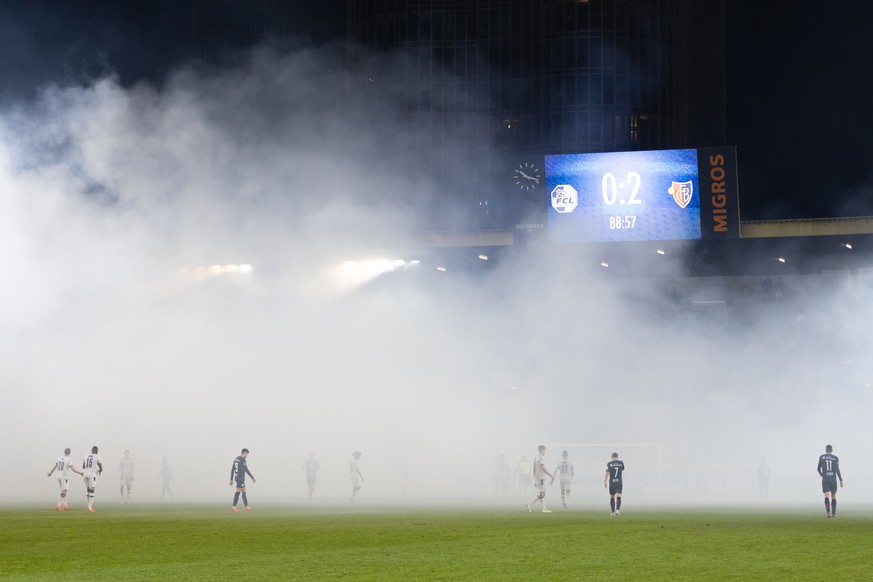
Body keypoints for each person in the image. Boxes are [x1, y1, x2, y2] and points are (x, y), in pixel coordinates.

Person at [817, 444, 844, 518]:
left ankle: (828, 513)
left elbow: (818, 469)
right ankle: (834, 513)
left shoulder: (822, 457)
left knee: (826, 496)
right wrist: (841, 480)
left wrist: (821, 474)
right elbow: (837, 470)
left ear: (826, 450)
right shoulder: (835, 458)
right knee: (833, 496)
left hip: (825, 479)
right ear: (832, 450)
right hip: (833, 479)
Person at [526, 445, 555, 513]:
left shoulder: (535, 458)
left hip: (537, 477)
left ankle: (544, 509)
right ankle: (529, 505)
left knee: (541, 493)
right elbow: (543, 467)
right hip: (541, 477)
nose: (545, 452)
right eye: (545, 450)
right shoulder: (541, 457)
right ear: (542, 450)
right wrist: (551, 475)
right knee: (542, 494)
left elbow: (534, 469)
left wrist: (535, 479)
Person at [82, 446, 103, 513]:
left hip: (85, 474)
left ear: (91, 450)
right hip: (92, 475)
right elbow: (100, 467)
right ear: (97, 451)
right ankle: (90, 507)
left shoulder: (85, 456)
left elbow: (83, 466)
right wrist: (99, 471)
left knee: (88, 490)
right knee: (92, 490)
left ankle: (89, 505)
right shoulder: (97, 457)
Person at [604, 452, 625, 516]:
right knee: (619, 495)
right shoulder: (621, 463)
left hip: (612, 482)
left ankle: (613, 512)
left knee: (612, 496)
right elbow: (623, 469)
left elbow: (607, 473)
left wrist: (605, 481)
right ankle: (618, 510)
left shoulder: (609, 464)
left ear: (611, 457)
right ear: (617, 457)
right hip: (619, 481)